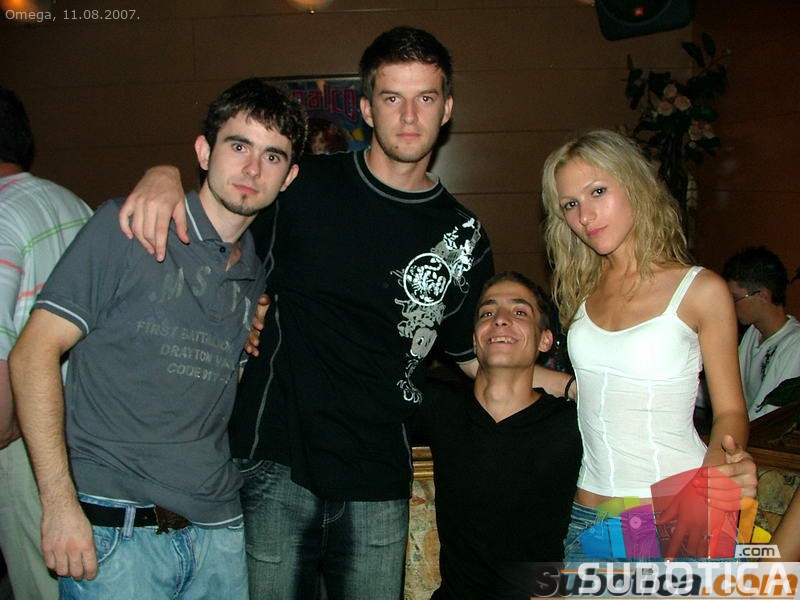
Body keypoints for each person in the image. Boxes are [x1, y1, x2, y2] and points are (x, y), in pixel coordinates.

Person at [116, 26, 503, 599]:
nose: (408, 116)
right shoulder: (302, 186)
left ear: (446, 109)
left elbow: (482, 361)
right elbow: (218, 222)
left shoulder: (463, 234)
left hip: (378, 473)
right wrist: (165, 176)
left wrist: (574, 389)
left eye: (425, 97)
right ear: (366, 108)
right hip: (276, 461)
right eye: (392, 98)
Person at [8, 78, 305, 599]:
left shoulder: (255, 268)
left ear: (288, 177)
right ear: (204, 152)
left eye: (272, 156)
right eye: (239, 146)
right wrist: (58, 506)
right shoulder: (126, 228)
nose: (253, 169)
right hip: (116, 534)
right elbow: (32, 354)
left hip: (219, 532)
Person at [541, 129, 758, 561]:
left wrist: (715, 479)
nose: (585, 216)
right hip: (589, 513)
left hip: (674, 510)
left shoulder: (700, 289)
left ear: (634, 185)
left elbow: (731, 411)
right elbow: (601, 388)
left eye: (597, 191)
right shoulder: (580, 290)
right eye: (570, 204)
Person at [416, 271, 582, 599]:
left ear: (545, 340)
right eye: (487, 312)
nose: (500, 319)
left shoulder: (572, 425)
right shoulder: (439, 408)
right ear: (474, 339)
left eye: (519, 312)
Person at [0, 85, 93, 600]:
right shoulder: (70, 202)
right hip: (85, 426)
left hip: (25, 443)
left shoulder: (2, 215)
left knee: (41, 581)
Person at [722, 246, 800, 421]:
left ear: (763, 296)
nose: (729, 305)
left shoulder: (795, 344)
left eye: (735, 298)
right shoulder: (752, 332)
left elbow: (770, 415)